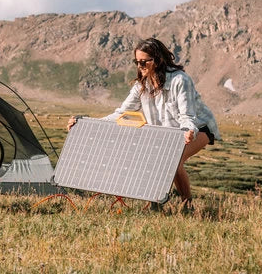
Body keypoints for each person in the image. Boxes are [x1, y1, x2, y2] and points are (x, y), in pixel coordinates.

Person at [67, 38, 220, 208]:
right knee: (155, 161)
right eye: (136, 62)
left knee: (173, 161)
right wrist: (85, 123)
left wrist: (188, 130)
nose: (139, 66)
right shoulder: (142, 85)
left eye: (143, 62)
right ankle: (155, 205)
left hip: (198, 127)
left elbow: (187, 116)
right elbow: (121, 114)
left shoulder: (180, 80)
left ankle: (187, 205)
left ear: (157, 60)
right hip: (167, 132)